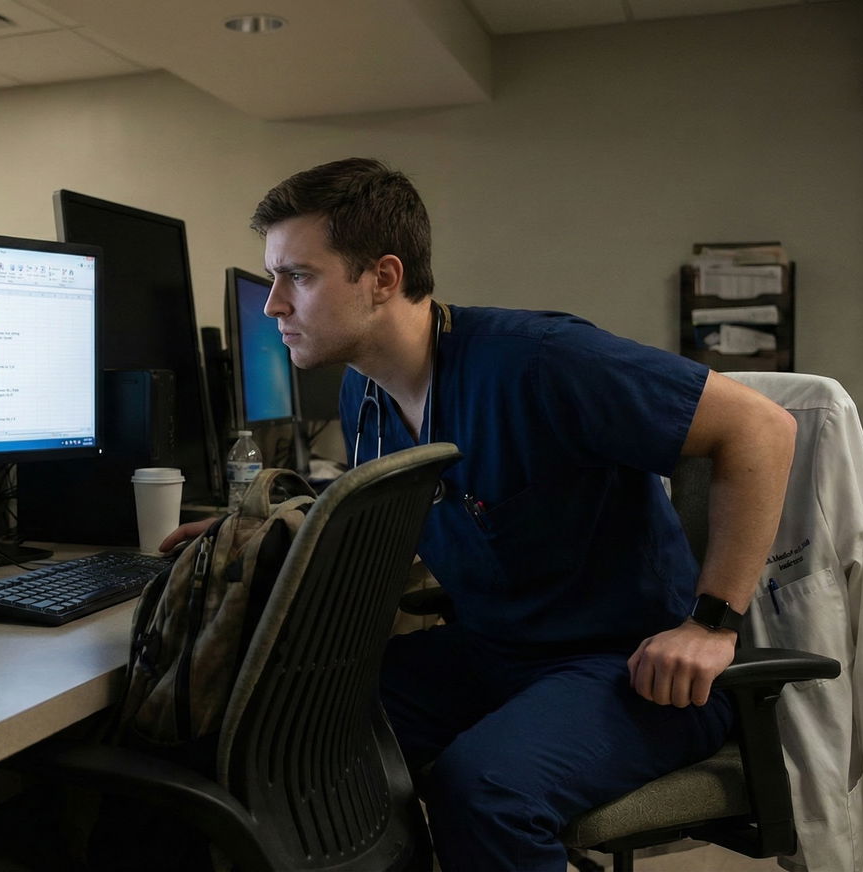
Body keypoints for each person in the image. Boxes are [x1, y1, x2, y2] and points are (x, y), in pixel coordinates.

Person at [160, 157, 797, 870]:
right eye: (274, 277)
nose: (275, 302)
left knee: (484, 790)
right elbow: (400, 518)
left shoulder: (537, 360)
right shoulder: (364, 398)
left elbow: (762, 429)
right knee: (284, 728)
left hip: (637, 668)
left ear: (384, 278)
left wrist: (711, 626)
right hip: (492, 653)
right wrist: (251, 534)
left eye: (298, 276)